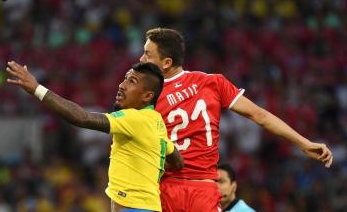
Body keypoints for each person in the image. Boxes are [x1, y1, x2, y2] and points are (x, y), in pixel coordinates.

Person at [139, 28, 333, 212]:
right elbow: (260, 115)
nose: (141, 59)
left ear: (166, 63)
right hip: (203, 192)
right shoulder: (212, 82)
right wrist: (304, 143)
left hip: (165, 189)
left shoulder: (147, 95)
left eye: (148, 54)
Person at [6, 60, 184, 212]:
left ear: (147, 96)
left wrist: (37, 89)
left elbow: (82, 118)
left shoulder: (134, 118)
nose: (122, 85)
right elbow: (177, 161)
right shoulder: (155, 122)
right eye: (125, 79)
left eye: (132, 81)